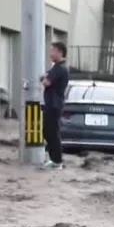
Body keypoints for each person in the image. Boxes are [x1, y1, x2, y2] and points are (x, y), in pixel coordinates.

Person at [40, 41, 70, 170]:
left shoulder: (59, 68)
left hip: (54, 105)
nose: (51, 54)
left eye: (53, 51)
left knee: (52, 132)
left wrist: (42, 78)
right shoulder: (57, 68)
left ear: (60, 52)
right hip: (52, 104)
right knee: (47, 131)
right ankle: (53, 158)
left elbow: (47, 82)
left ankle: (57, 161)